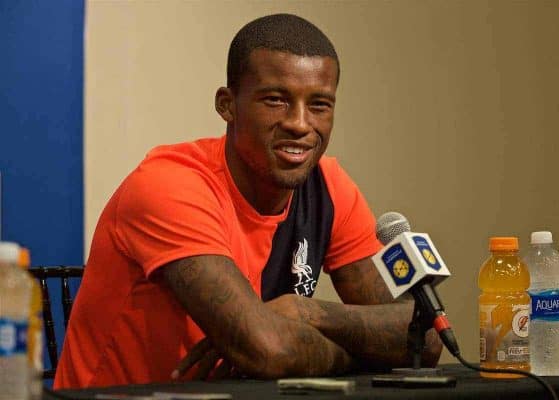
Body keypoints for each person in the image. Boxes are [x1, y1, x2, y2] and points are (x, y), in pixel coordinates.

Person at [54, 13, 441, 389]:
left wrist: (306, 311)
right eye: (276, 100)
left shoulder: (328, 186)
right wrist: (366, 352)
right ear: (227, 104)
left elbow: (425, 338)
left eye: (320, 105)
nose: (301, 124)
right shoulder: (170, 186)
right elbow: (268, 351)